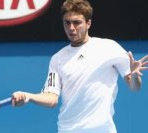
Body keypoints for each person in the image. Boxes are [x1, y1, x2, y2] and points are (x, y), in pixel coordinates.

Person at [12, 0, 148, 133]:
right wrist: (28, 96)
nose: (71, 28)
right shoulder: (57, 59)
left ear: (88, 23)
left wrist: (135, 75)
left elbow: (134, 87)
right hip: (68, 130)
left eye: (77, 22)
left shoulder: (109, 47)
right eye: (67, 22)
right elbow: (51, 99)